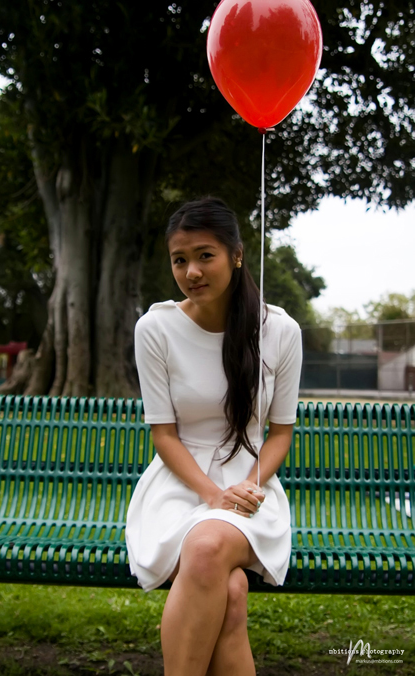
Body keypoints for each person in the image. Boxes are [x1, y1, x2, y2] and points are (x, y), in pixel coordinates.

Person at [125, 196, 302, 676]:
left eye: (205, 255)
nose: (191, 271)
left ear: (237, 254)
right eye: (179, 260)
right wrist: (211, 495)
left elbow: (281, 432)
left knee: (206, 548)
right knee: (231, 590)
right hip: (178, 485)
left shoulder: (280, 331)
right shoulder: (156, 328)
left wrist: (249, 485)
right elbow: (163, 434)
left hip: (251, 486)